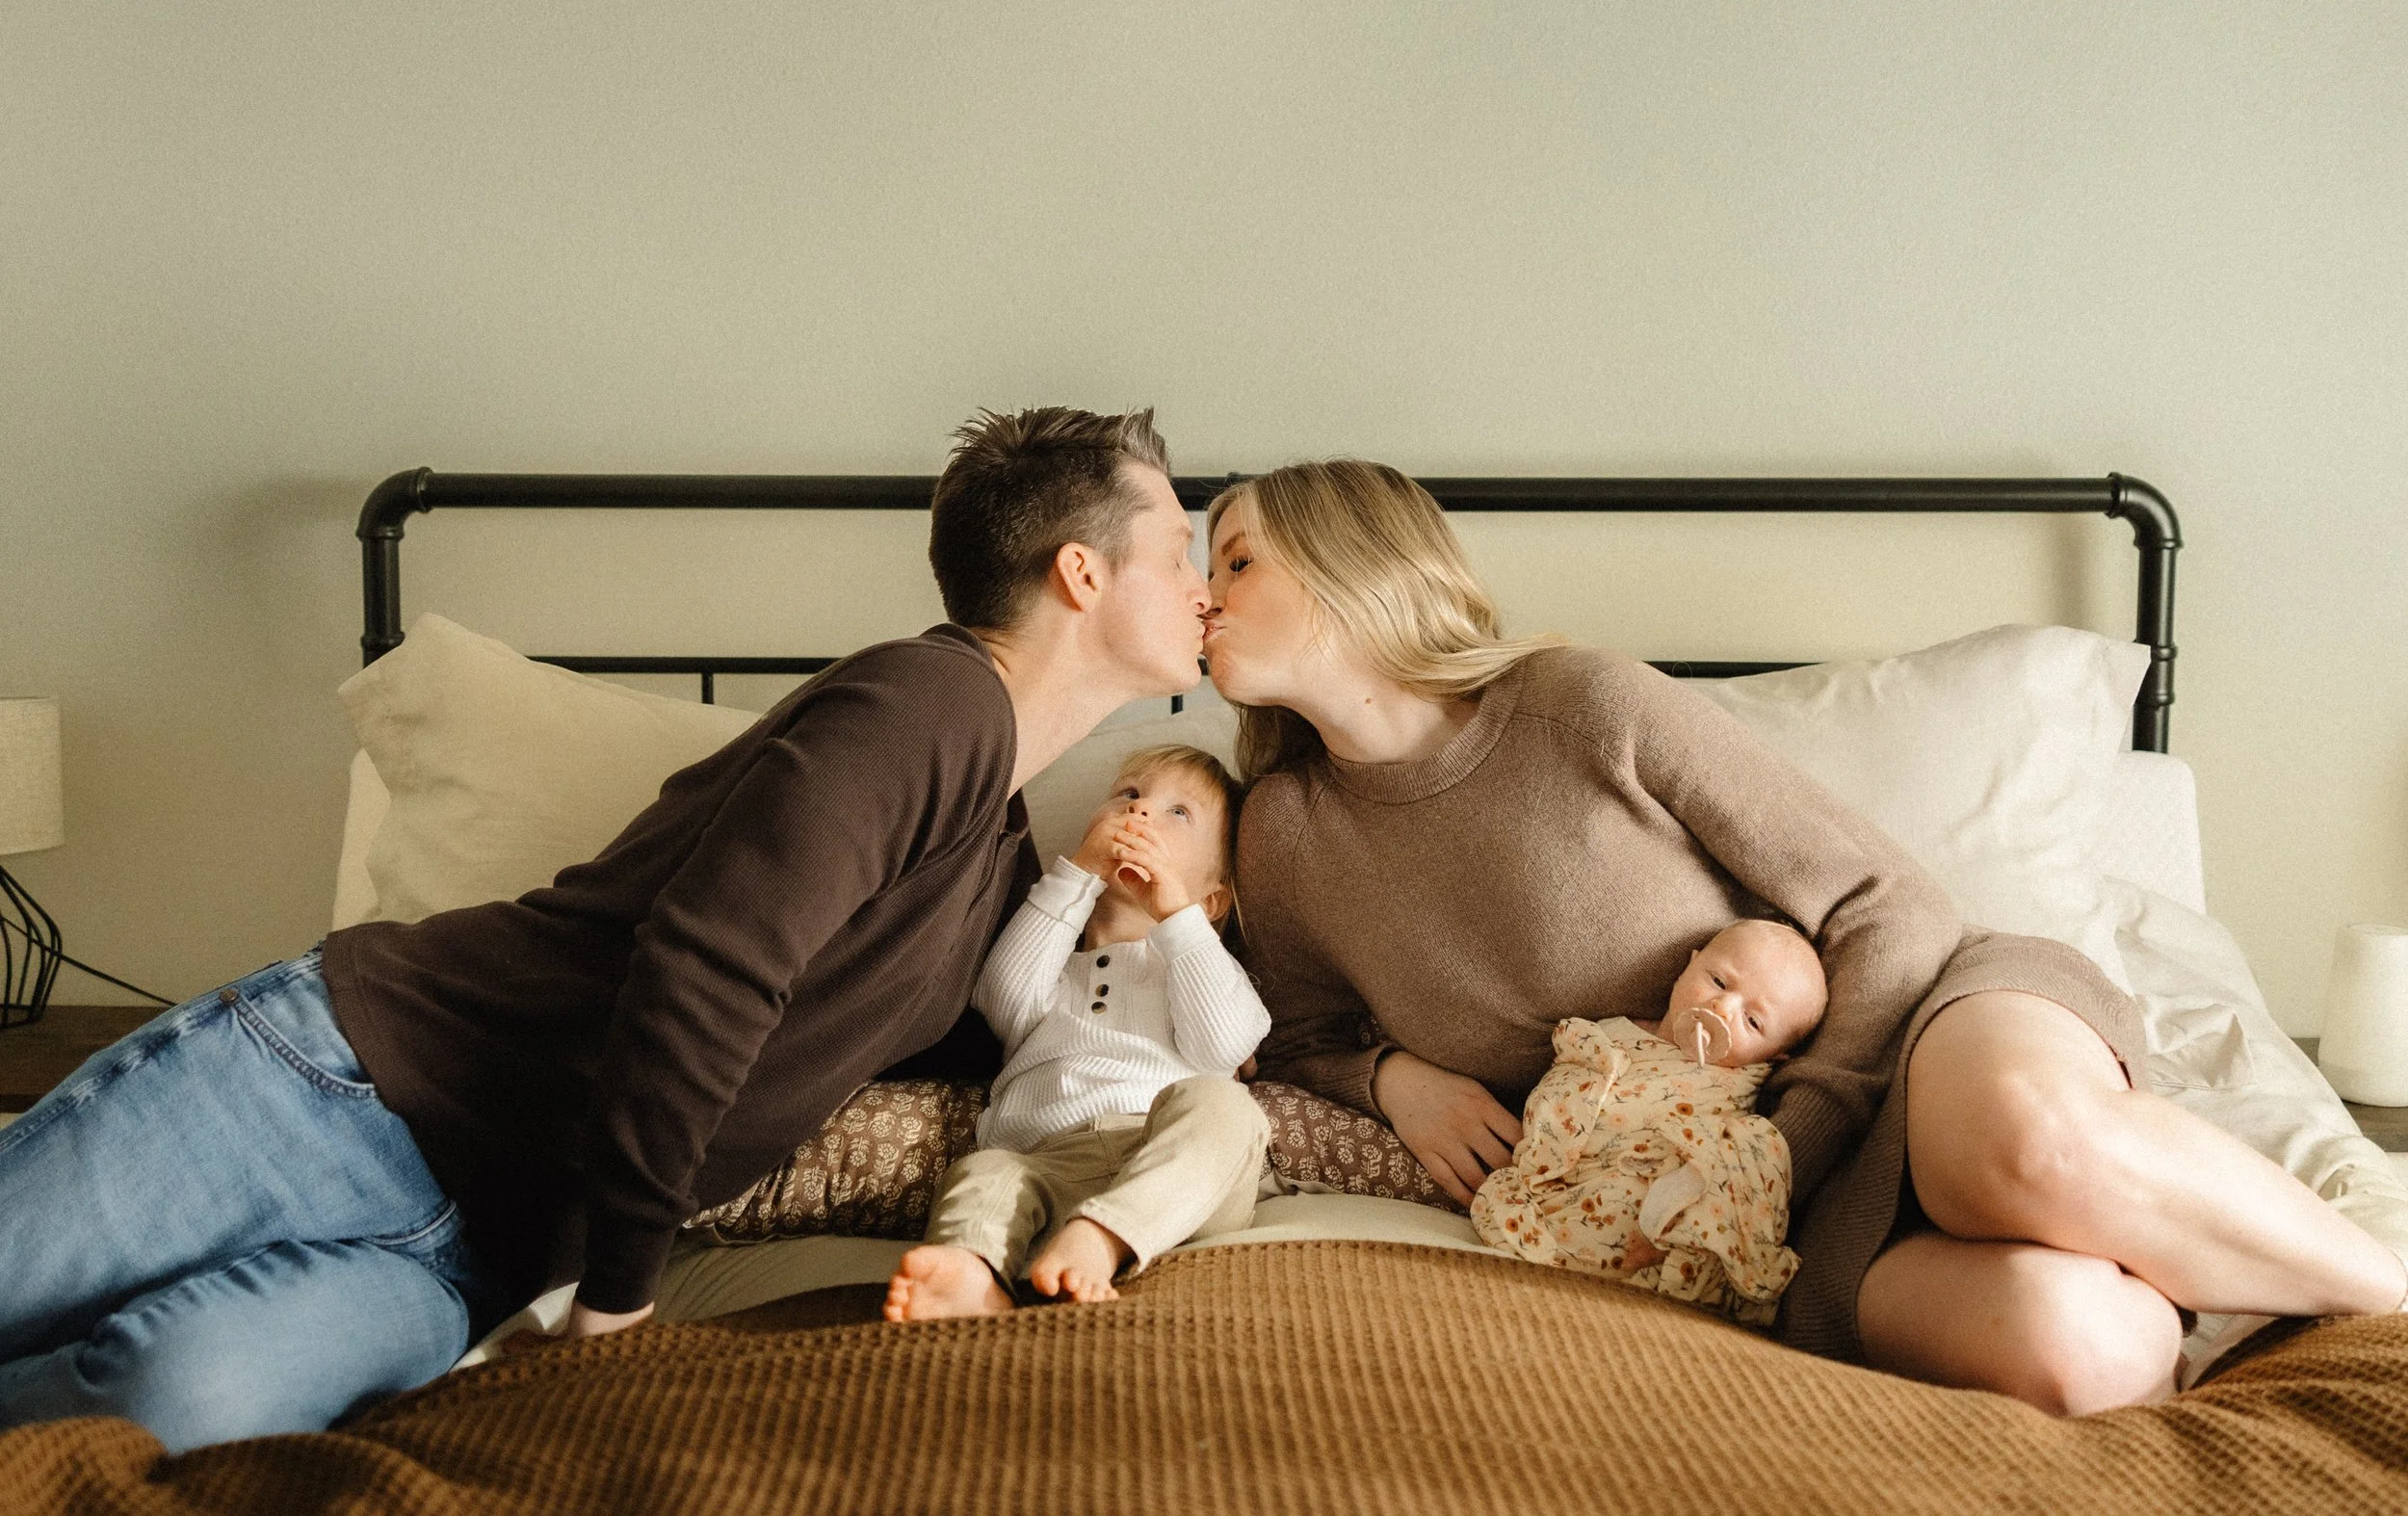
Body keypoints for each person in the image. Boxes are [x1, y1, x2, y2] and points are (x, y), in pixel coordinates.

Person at [0, 405, 1213, 1451]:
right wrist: (619, 1303)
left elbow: (1023, 1057)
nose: (1205, 586)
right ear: (1081, 572)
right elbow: (705, 967)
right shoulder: (926, 701)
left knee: (170, 1400)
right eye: (1181, 550)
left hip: (462, 1257)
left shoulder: (988, 842)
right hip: (342, 1090)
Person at [1203, 457, 2408, 1416]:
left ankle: (2389, 1298)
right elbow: (1295, 1034)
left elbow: (1885, 904)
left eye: (1238, 557)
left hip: (1917, 1032)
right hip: (1751, 1222)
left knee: (2019, 1151)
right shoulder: (1283, 836)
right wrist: (1390, 1077)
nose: (1205, 596)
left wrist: (1802, 1132)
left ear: (1347, 561)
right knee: (2075, 1351)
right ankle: (2188, 1255)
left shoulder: (1581, 702)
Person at [883, 744, 1269, 1320]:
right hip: (1046, 1163)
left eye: (1178, 813)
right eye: (1129, 795)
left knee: (1226, 1107)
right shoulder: (1053, 963)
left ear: (1212, 901)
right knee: (984, 1173)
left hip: (1171, 1170)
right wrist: (1079, 875)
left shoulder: (1197, 965)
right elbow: (1003, 995)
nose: (1140, 815)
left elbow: (1227, 1042)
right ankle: (972, 1273)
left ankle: (1104, 1236)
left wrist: (1176, 919)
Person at [1471, 918, 1827, 1325]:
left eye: (1753, 1022)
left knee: (1752, 1151)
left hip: (1649, 1221)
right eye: (1719, 982)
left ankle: (1665, 1227)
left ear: (1774, 1056)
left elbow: (1741, 1168)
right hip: (1560, 1194)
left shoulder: (1738, 1080)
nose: (1723, 1009)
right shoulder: (1611, 1035)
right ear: (1688, 966)